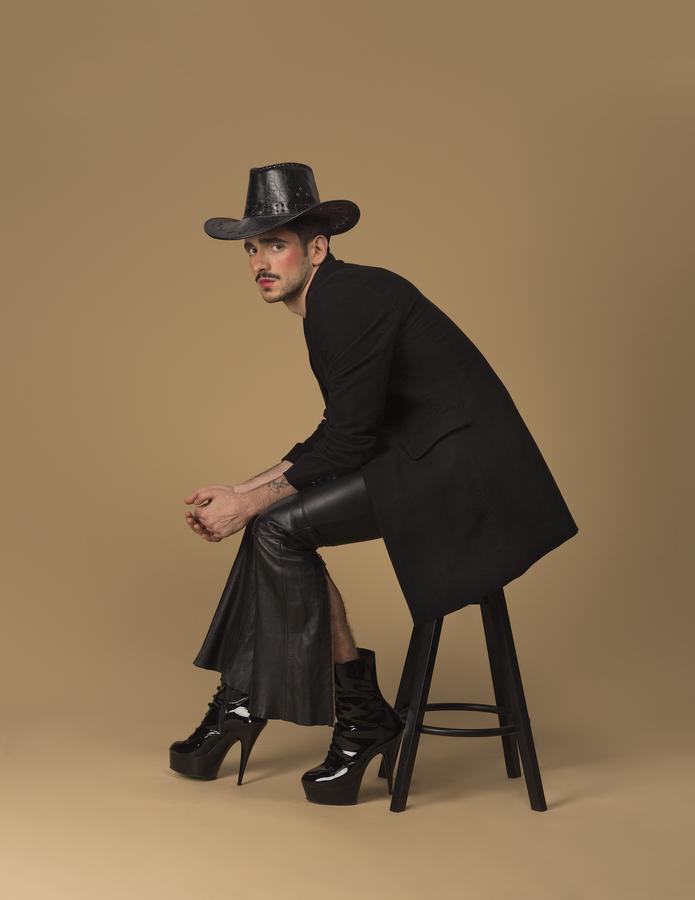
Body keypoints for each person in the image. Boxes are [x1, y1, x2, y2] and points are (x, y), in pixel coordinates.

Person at [168, 162, 579, 806]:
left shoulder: (346, 299)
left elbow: (350, 443)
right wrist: (242, 490)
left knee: (274, 527)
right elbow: (340, 430)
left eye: (276, 244)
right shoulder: (331, 302)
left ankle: (306, 710)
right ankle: (264, 703)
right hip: (420, 460)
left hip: (463, 477)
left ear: (318, 248)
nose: (260, 262)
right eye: (252, 248)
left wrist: (250, 504)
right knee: (268, 525)